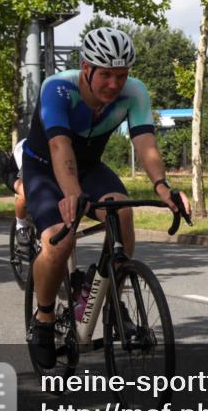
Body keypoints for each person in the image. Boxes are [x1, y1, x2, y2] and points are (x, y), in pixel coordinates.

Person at [23, 26, 191, 369]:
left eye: (122, 75)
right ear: (87, 68)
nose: (115, 84)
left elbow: (145, 142)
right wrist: (73, 196)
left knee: (122, 212)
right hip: (43, 167)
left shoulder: (135, 93)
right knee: (59, 241)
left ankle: (112, 297)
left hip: (89, 167)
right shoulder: (57, 88)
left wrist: (163, 187)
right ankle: (43, 320)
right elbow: (59, 145)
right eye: (107, 75)